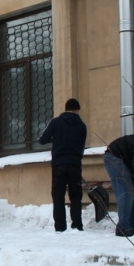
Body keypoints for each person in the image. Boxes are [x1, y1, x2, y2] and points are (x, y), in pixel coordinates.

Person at [39, 98, 87, 232]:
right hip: (75, 164)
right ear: (77, 110)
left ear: (65, 109)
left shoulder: (56, 123)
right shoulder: (82, 126)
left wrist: (55, 137)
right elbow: (82, 146)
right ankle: (77, 225)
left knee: (58, 195)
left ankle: (60, 227)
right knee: (76, 195)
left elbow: (43, 140)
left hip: (59, 164)